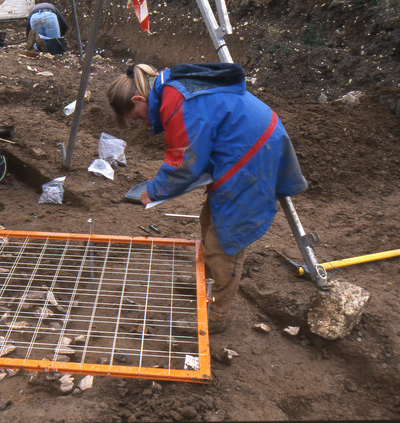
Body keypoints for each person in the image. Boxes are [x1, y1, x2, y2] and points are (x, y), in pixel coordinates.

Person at [107, 63, 308, 334]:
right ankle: (205, 280)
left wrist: (153, 191)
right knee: (209, 220)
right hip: (246, 143)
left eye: (137, 117)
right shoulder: (170, 89)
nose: (143, 122)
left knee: (225, 240)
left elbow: (185, 162)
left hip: (253, 155)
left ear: (138, 99)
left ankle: (215, 317)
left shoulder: (176, 101)